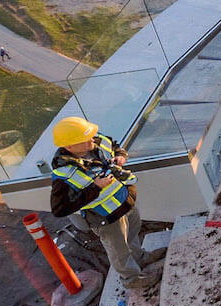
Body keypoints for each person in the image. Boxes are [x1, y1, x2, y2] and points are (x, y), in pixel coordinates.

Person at [48, 116, 165, 285]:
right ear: (69, 147)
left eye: (90, 135)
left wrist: (121, 156)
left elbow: (115, 147)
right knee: (119, 250)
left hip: (125, 201)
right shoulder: (64, 174)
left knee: (132, 233)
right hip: (106, 217)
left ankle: (140, 258)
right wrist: (95, 187)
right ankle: (131, 278)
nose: (91, 140)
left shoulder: (97, 141)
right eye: (85, 139)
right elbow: (60, 209)